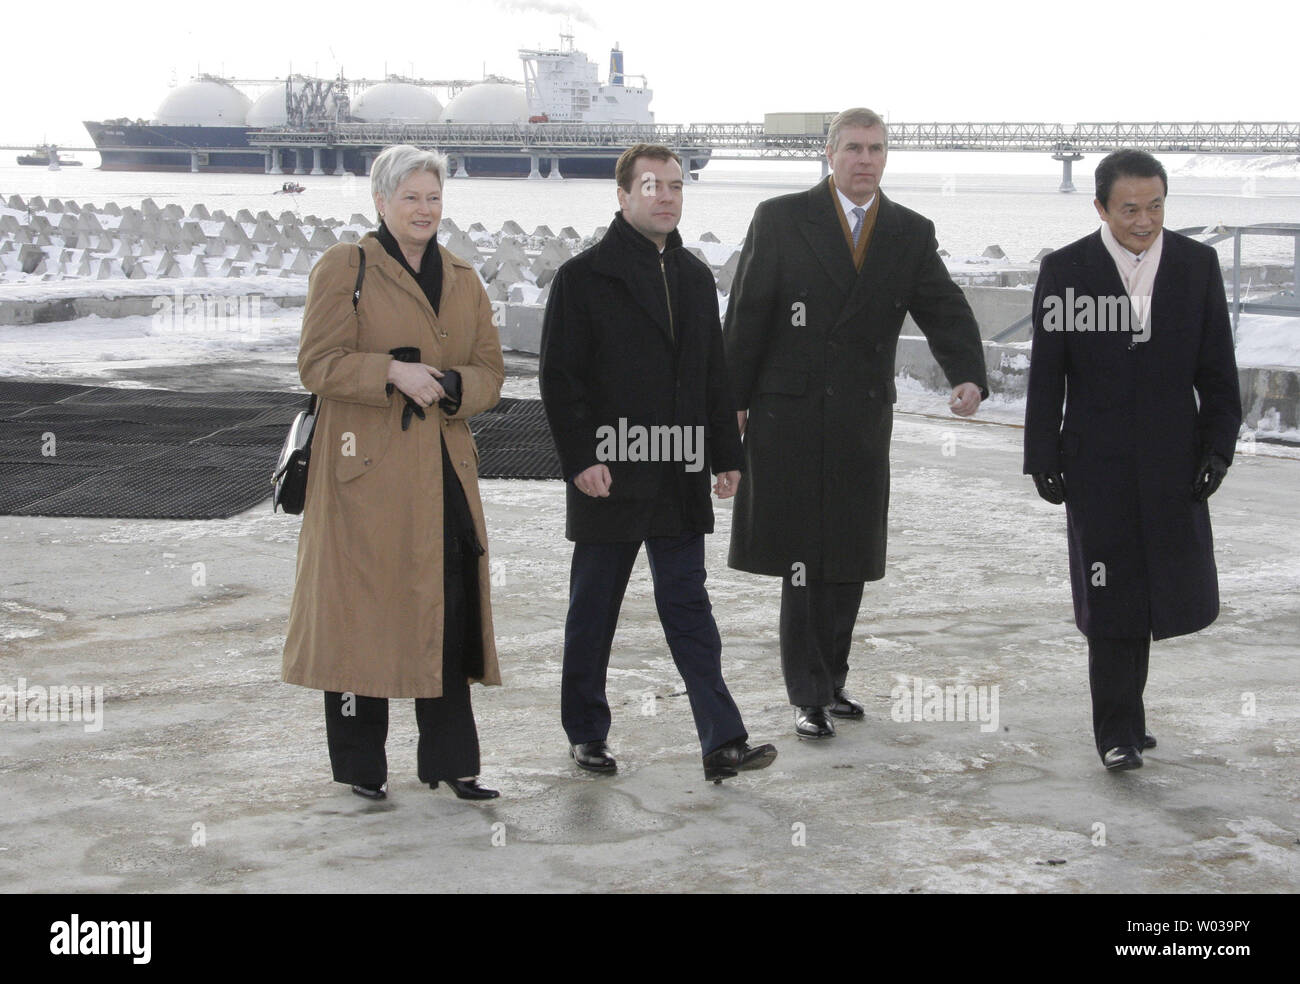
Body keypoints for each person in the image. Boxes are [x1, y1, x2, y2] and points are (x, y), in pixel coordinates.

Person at [724, 107, 990, 741]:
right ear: (829, 152)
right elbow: (749, 313)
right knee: (802, 561)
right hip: (787, 415)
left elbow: (943, 307)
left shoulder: (908, 230)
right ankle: (807, 694)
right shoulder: (781, 218)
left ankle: (834, 679)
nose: (864, 159)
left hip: (860, 417)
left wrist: (968, 374)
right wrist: (728, 407)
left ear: (886, 156)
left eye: (875, 149)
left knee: (850, 554)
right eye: (853, 148)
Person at [540, 143, 777, 783]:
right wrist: (581, 459)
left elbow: (713, 377)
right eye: (652, 185)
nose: (667, 196)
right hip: (610, 472)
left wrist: (726, 455)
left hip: (678, 473)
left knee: (689, 609)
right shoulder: (583, 279)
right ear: (622, 195)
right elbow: (560, 382)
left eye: (675, 185)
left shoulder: (696, 277)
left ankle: (722, 740)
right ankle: (586, 733)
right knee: (594, 611)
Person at [283, 144, 505, 801]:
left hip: (441, 468)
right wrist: (390, 370)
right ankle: (361, 769)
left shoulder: (464, 278)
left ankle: (453, 762)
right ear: (380, 201)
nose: (424, 210)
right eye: (410, 197)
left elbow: (492, 371)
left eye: (433, 198)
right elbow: (316, 363)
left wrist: (458, 384)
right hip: (363, 475)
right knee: (361, 614)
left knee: (449, 607)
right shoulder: (344, 266)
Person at [1023, 149, 1241, 772]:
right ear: (1101, 208)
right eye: (1130, 209)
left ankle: (1131, 719)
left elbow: (1218, 373)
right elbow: (1047, 374)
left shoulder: (1196, 266)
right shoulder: (1066, 270)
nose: (1145, 221)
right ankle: (1116, 732)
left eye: (1155, 207)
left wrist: (1218, 449)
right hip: (1096, 462)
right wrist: (1043, 454)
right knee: (1111, 593)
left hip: (1175, 461)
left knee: (1159, 593)